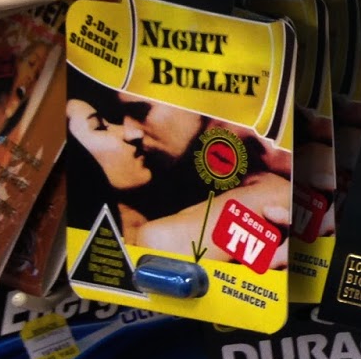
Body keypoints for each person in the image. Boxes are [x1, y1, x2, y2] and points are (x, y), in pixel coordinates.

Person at [65, 82, 290, 268]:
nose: (129, 132)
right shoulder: (157, 241)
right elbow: (278, 194)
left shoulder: (160, 229)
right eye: (100, 127)